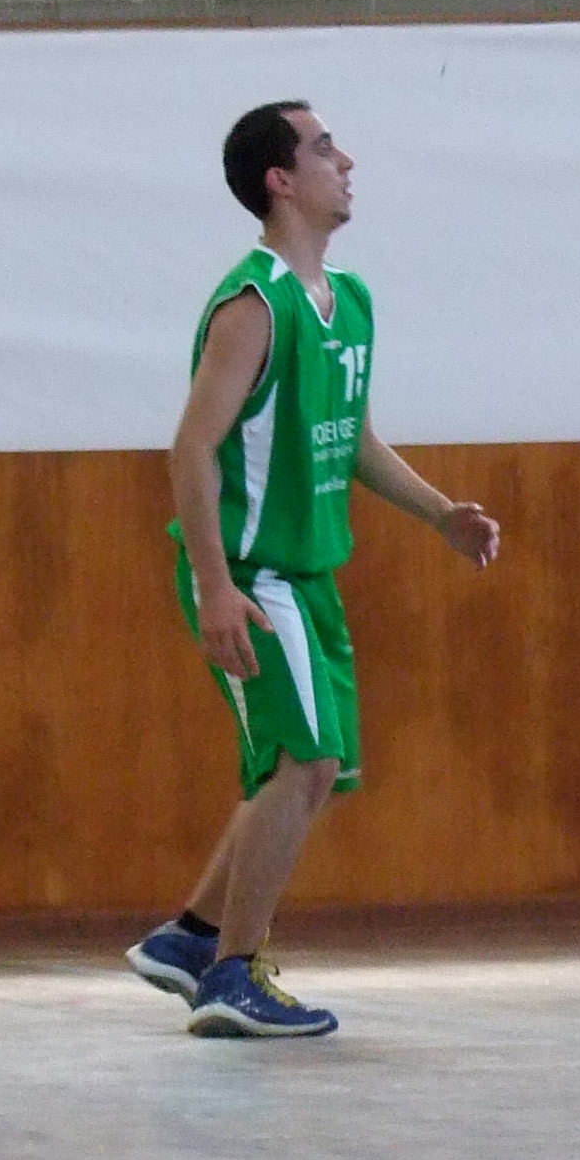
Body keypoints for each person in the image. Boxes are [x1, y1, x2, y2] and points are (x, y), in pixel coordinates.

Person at [125, 102, 502, 1037]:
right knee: (306, 760)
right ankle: (232, 975)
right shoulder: (253, 306)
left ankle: (191, 938)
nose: (348, 160)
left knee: (316, 771)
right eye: (325, 148)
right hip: (253, 575)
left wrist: (440, 515)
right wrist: (215, 585)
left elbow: (354, 437)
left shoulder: (351, 301)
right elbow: (191, 447)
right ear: (281, 181)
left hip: (309, 574)